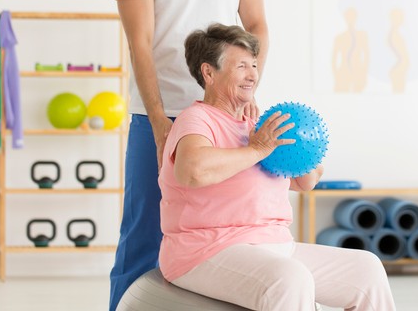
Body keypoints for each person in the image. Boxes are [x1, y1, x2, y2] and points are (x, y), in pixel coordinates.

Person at [157, 23, 396, 311]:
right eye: (241, 66)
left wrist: (303, 155)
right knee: (290, 278)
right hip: (206, 250)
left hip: (277, 246)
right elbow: (192, 171)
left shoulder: (258, 126)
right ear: (209, 73)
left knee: (366, 269)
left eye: (254, 65)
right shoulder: (196, 119)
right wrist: (258, 149)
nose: (252, 75)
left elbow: (305, 181)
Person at [110, 0, 269, 309]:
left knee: (232, 230)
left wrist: (246, 90)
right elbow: (139, 42)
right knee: (144, 233)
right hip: (160, 113)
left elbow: (257, 25)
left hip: (225, 110)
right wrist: (157, 121)